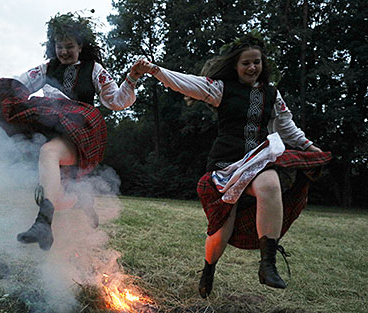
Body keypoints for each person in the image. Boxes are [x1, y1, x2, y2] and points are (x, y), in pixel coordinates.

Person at [135, 31, 332, 297]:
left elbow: (288, 129)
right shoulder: (220, 89)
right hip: (226, 165)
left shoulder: (272, 95)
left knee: (270, 183)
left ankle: (268, 265)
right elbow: (186, 83)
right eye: (246, 63)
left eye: (257, 62)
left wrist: (311, 149)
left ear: (263, 65)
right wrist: (155, 70)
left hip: (259, 159)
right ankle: (209, 268)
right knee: (221, 229)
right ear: (235, 66)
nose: (252, 67)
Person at [0, 12, 144, 251]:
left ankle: (43, 223)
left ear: (80, 46)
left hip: (82, 129)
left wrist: (131, 79)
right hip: (53, 128)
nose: (64, 52)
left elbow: (117, 101)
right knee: (52, 193)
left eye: (70, 46)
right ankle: (81, 200)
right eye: (59, 46)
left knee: (48, 153)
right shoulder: (46, 69)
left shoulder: (94, 69)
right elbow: (19, 85)